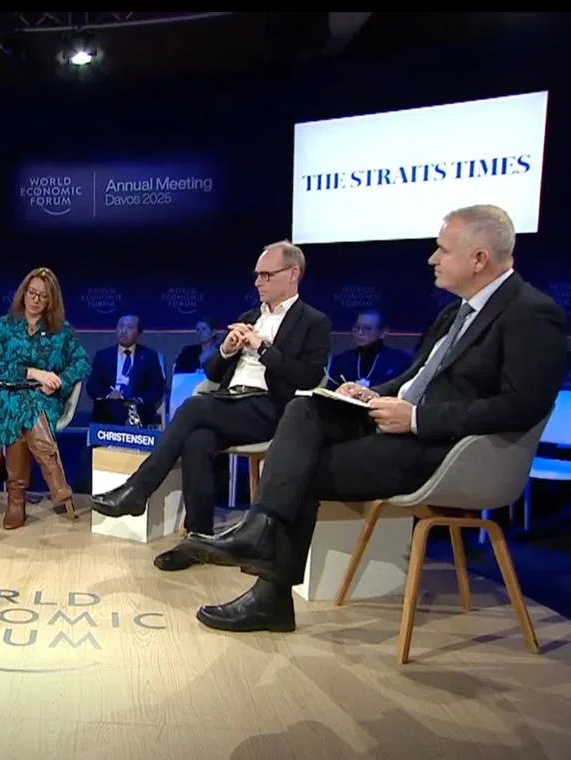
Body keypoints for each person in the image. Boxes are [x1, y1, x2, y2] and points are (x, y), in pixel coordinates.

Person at [177, 205, 567, 633]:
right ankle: (259, 532)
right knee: (305, 408)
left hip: (444, 448)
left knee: (299, 471)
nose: (432, 259)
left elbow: (521, 406)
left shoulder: (531, 312)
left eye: (442, 250)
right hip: (402, 427)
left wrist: (417, 418)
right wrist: (374, 393)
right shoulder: (455, 311)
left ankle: (268, 584)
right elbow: (418, 376)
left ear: (479, 258)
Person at [90, 241, 332, 541]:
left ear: (293, 274)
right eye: (257, 275)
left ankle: (138, 489)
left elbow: (308, 377)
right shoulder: (249, 316)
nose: (258, 282)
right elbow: (214, 373)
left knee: (194, 406)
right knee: (197, 440)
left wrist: (263, 349)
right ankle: (198, 537)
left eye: (266, 275)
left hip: (272, 408)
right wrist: (227, 350)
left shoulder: (313, 322)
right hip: (230, 402)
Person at [0, 267, 91, 529]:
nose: (36, 299)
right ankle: (55, 477)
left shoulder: (61, 330)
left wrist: (59, 381)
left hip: (42, 398)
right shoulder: (3, 326)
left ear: (51, 300)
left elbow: (82, 362)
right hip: (2, 394)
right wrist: (34, 373)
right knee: (21, 404)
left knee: (24, 408)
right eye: (32, 293)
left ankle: (16, 500)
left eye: (43, 296)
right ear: (23, 292)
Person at [86, 314, 166, 428]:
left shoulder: (149, 356)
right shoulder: (103, 355)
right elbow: (92, 386)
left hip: (138, 407)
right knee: (111, 408)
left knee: (131, 411)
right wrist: (109, 394)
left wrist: (139, 400)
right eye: (121, 326)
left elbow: (157, 388)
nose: (124, 331)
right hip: (109, 406)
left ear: (139, 334)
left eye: (130, 327)